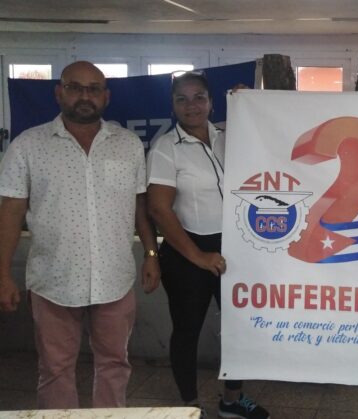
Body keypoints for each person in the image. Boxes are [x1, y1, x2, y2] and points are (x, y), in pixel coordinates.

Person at [0, 61, 160, 409]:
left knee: (115, 365)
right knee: (55, 370)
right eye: (75, 87)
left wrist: (151, 254)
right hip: (53, 280)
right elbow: (10, 211)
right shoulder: (28, 146)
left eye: (93, 89)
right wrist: (2, 274)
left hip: (115, 279)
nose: (85, 96)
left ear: (106, 96)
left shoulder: (128, 144)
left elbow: (139, 206)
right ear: (59, 92)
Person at [146, 71, 269, 419]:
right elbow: (159, 209)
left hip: (234, 247)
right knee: (188, 330)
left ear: (212, 102)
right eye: (182, 99)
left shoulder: (229, 136)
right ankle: (189, 405)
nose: (192, 106)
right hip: (187, 249)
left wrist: (250, 102)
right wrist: (198, 256)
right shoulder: (165, 148)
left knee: (238, 327)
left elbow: (270, 129)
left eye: (199, 97)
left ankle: (232, 400)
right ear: (172, 105)